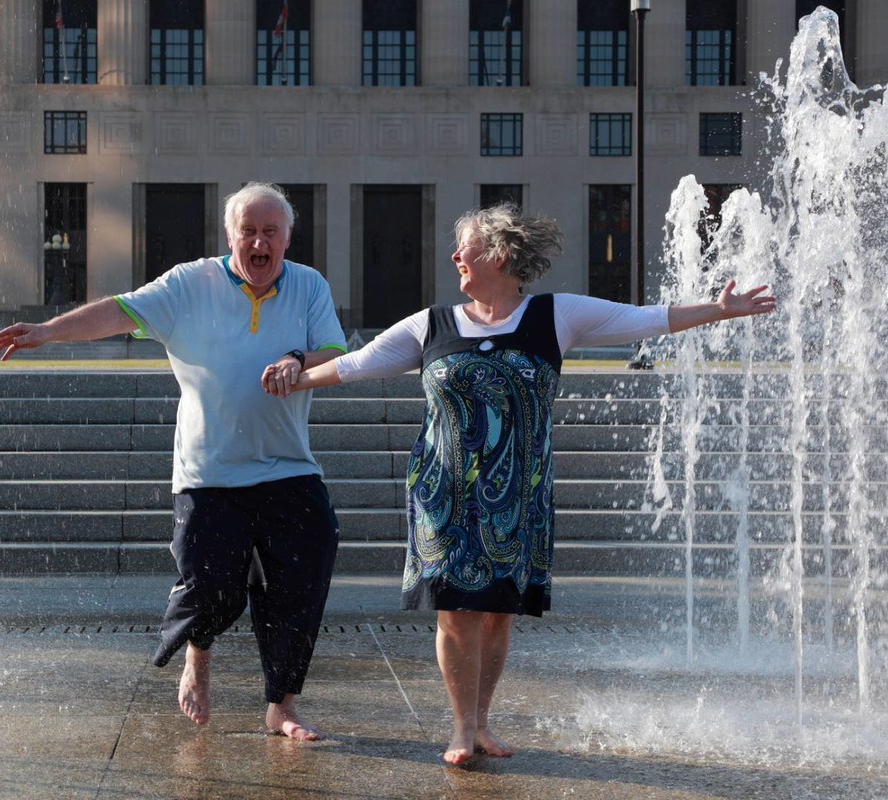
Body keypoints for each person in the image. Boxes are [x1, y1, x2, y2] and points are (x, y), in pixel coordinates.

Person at [262, 202, 776, 763]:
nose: (456, 256)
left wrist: (718, 311)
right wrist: (296, 377)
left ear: (501, 255)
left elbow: (644, 317)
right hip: (444, 493)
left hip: (518, 495)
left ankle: (482, 722)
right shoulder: (431, 324)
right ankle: (461, 728)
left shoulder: (557, 315)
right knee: (455, 610)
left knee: (498, 613)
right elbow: (358, 363)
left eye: (468, 248)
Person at [0, 182, 347, 741]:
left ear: (287, 237)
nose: (258, 242)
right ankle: (196, 658)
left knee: (304, 576)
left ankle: (282, 705)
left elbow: (334, 351)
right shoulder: (190, 283)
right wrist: (48, 332)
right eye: (247, 231)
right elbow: (119, 310)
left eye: (269, 232)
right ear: (230, 236)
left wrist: (297, 359)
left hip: (287, 468)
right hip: (210, 473)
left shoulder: (309, 286)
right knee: (212, 589)